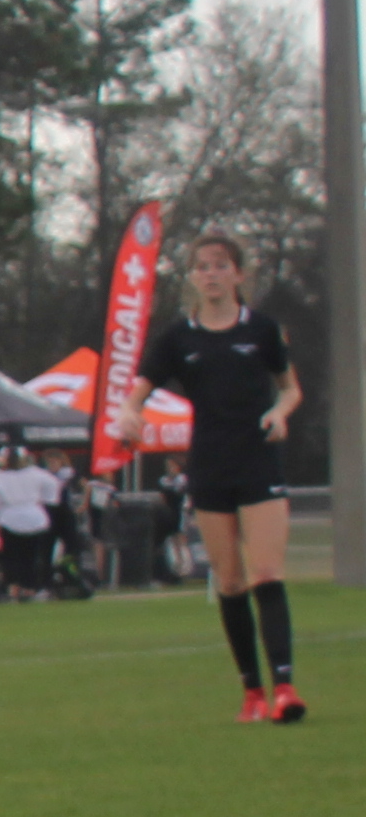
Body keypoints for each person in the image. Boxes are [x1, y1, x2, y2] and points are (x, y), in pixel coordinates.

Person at [140, 233, 306, 720]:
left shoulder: (263, 330)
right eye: (202, 266)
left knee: (267, 574)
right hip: (209, 467)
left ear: (238, 273)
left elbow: (290, 389)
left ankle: (284, 689)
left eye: (219, 265)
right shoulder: (179, 339)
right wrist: (131, 414)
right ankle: (252, 692)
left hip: (259, 462)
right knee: (230, 583)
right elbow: (138, 392)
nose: (210, 274)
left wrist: (280, 412)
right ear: (192, 277)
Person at [0, 442, 58, 601]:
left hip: (10, 520)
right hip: (35, 519)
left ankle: (14, 587)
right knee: (32, 558)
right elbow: (52, 491)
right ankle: (31, 588)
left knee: (13, 558)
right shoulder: (38, 474)